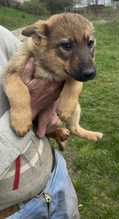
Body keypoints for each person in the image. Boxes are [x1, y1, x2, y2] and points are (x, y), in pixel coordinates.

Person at [0, 25, 80, 219]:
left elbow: (41, 64)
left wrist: (56, 101)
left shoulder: (1, 35)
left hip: (54, 174)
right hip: (13, 210)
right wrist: (34, 106)